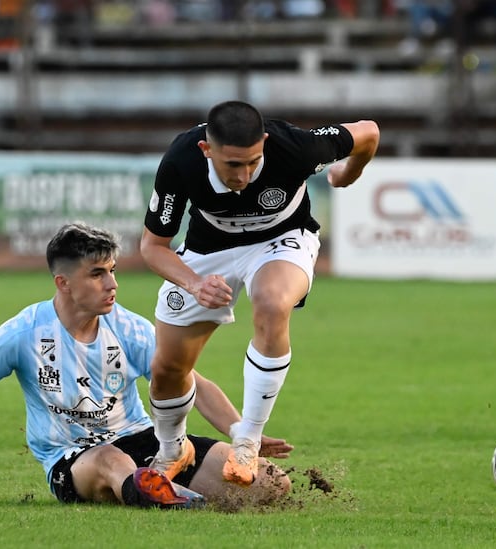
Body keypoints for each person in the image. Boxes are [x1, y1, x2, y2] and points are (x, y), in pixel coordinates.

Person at [0, 222, 292, 508]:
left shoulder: (130, 328)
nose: (113, 284)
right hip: (73, 458)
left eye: (112, 271)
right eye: (97, 274)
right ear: (63, 283)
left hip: (144, 441)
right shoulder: (24, 333)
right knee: (111, 460)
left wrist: (241, 435)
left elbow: (193, 384)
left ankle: (157, 490)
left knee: (271, 483)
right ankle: (169, 497)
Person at [140, 100, 380, 486]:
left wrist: (348, 173)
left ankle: (247, 444)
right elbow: (152, 246)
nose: (245, 174)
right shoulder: (181, 159)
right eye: (233, 164)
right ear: (207, 150)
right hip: (208, 251)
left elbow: (368, 130)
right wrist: (195, 283)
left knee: (271, 303)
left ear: (265, 143)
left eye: (253, 161)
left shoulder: (295, 148)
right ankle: (171, 448)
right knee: (168, 368)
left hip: (282, 239)